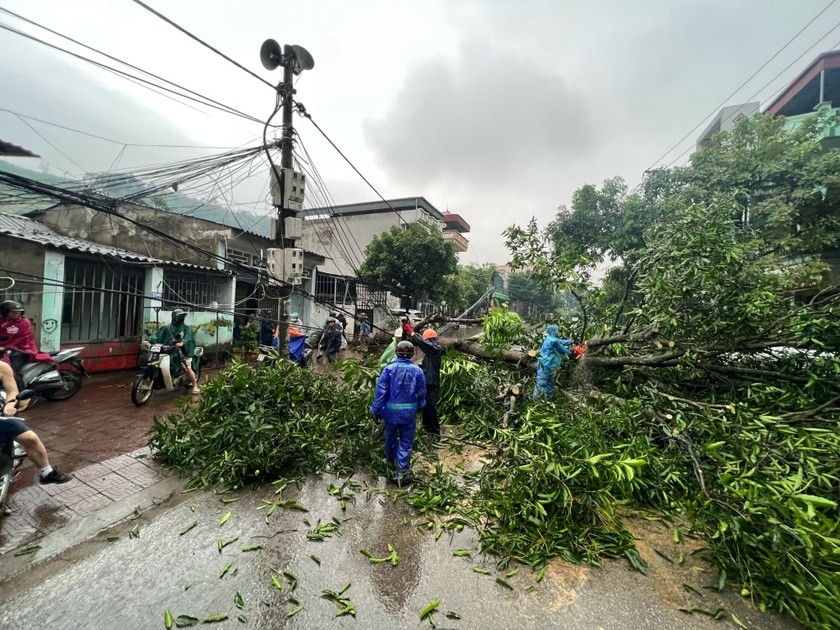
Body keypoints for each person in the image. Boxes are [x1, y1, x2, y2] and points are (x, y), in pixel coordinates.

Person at [0, 361, 72, 484]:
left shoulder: (2, 367)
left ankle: (47, 472)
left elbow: (12, 391)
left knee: (30, 438)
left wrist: (10, 404)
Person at [370, 340, 426, 485]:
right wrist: (420, 405)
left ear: (396, 352)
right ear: (412, 354)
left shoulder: (388, 369)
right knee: (406, 441)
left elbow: (381, 392)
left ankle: (389, 463)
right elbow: (421, 392)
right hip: (409, 412)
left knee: (390, 436)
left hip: (391, 412)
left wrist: (375, 409)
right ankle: (402, 469)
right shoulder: (418, 371)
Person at [403, 321, 443, 443]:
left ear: (430, 340)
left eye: (428, 341)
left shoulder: (435, 349)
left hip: (432, 383)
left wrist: (411, 331)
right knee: (425, 406)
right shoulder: (429, 353)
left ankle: (436, 432)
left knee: (430, 407)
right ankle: (426, 429)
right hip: (427, 383)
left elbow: (421, 343)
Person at [144, 309, 199, 394]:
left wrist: (182, 343)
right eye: (179, 317)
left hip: (181, 352)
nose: (181, 318)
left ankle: (195, 386)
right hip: (167, 351)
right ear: (174, 317)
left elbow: (189, 338)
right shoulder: (165, 328)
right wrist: (148, 341)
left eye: (182, 317)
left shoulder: (186, 328)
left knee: (186, 368)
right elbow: (156, 337)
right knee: (153, 363)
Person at [0, 300, 52, 388]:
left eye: (19, 312)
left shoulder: (24, 322)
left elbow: (22, 339)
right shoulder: (1, 321)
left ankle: (22, 396)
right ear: (6, 312)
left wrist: (5, 346)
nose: (17, 314)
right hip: (3, 350)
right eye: (14, 312)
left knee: (10, 372)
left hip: (20, 351)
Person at [532, 324, 573, 400]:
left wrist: (570, 341)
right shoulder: (554, 342)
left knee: (546, 384)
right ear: (554, 331)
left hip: (544, 365)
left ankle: (544, 402)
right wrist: (572, 352)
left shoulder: (548, 338)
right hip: (548, 366)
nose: (558, 332)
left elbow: (560, 341)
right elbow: (564, 351)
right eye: (557, 330)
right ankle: (538, 401)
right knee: (544, 384)